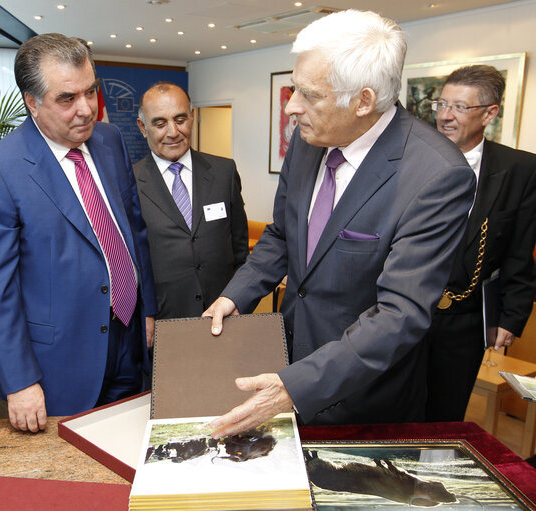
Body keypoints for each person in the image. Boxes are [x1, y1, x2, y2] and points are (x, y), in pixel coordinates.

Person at [204, 9, 477, 435]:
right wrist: (237, 296)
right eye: (295, 89)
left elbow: (399, 314)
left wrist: (296, 387)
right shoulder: (308, 140)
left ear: (364, 101)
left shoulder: (436, 174)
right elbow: (282, 234)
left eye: (309, 95)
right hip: (285, 362)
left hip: (362, 399)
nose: (292, 107)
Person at [0, 33, 157, 433]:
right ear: (32, 102)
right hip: (62, 359)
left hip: (129, 336)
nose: (86, 109)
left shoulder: (110, 140)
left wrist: (148, 308)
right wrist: (19, 380)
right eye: (67, 99)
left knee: (128, 447)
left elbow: (133, 231)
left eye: (90, 91)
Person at [425, 65, 536, 422]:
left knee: (445, 414)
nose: (445, 116)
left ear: (490, 113)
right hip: (402, 311)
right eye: (441, 103)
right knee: (389, 407)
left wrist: (512, 316)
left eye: (459, 107)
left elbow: (521, 250)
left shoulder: (520, 169)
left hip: (465, 320)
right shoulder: (412, 158)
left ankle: (430, 476)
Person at [134, 82, 249, 319]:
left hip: (224, 317)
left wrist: (239, 300)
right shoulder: (128, 183)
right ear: (143, 128)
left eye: (180, 119)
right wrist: (144, 316)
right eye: (159, 123)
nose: (173, 132)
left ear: (192, 117)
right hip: (164, 322)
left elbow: (240, 250)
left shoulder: (223, 172)